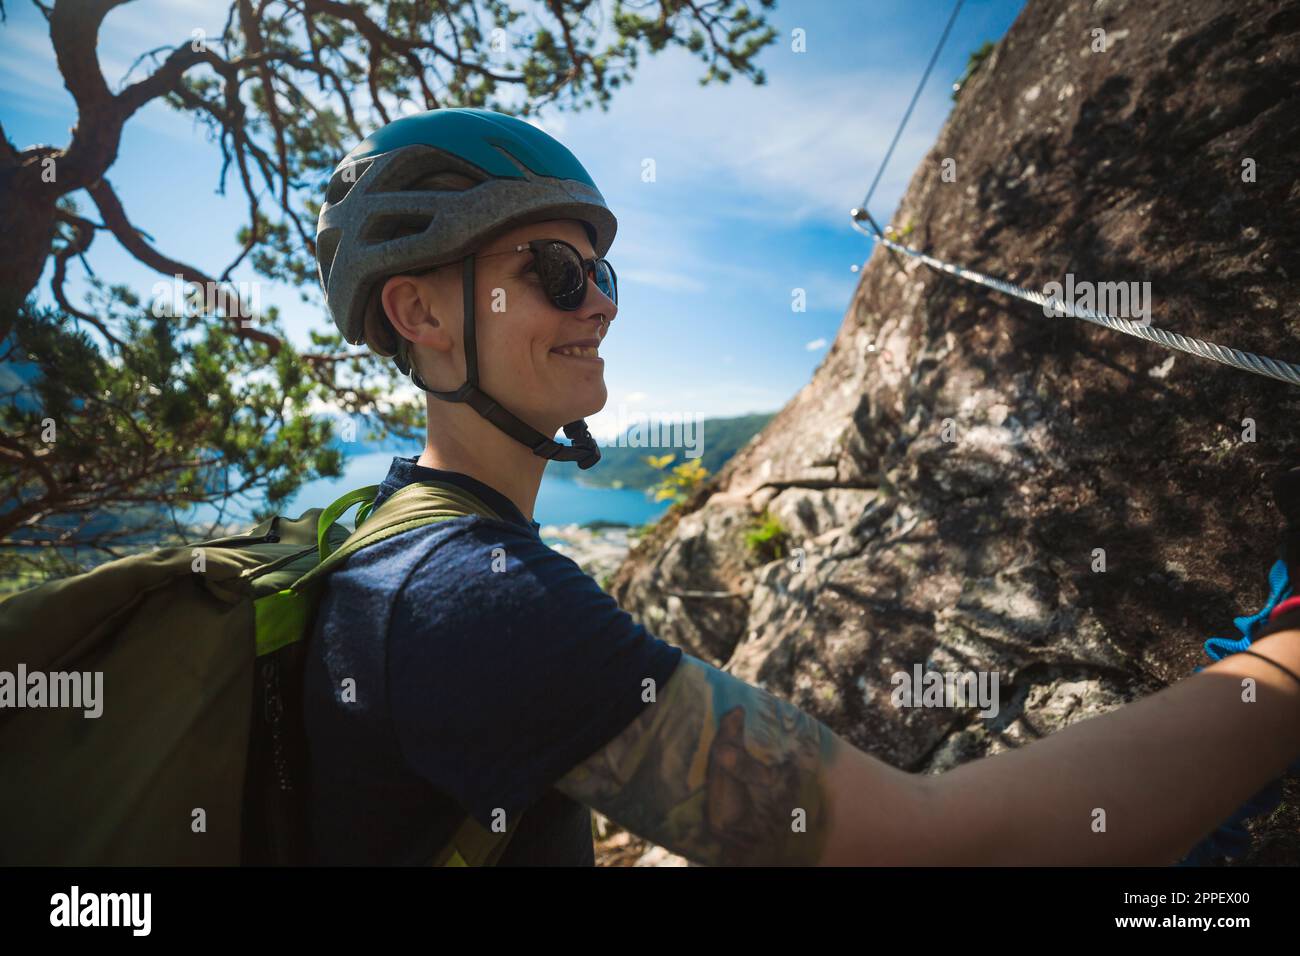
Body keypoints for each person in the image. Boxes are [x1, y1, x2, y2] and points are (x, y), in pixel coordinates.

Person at [304, 107, 1300, 866]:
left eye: (607, 274)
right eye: (557, 271)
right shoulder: (474, 597)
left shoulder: (392, 538)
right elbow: (927, 846)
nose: (600, 303)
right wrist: (1282, 670)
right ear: (421, 312)